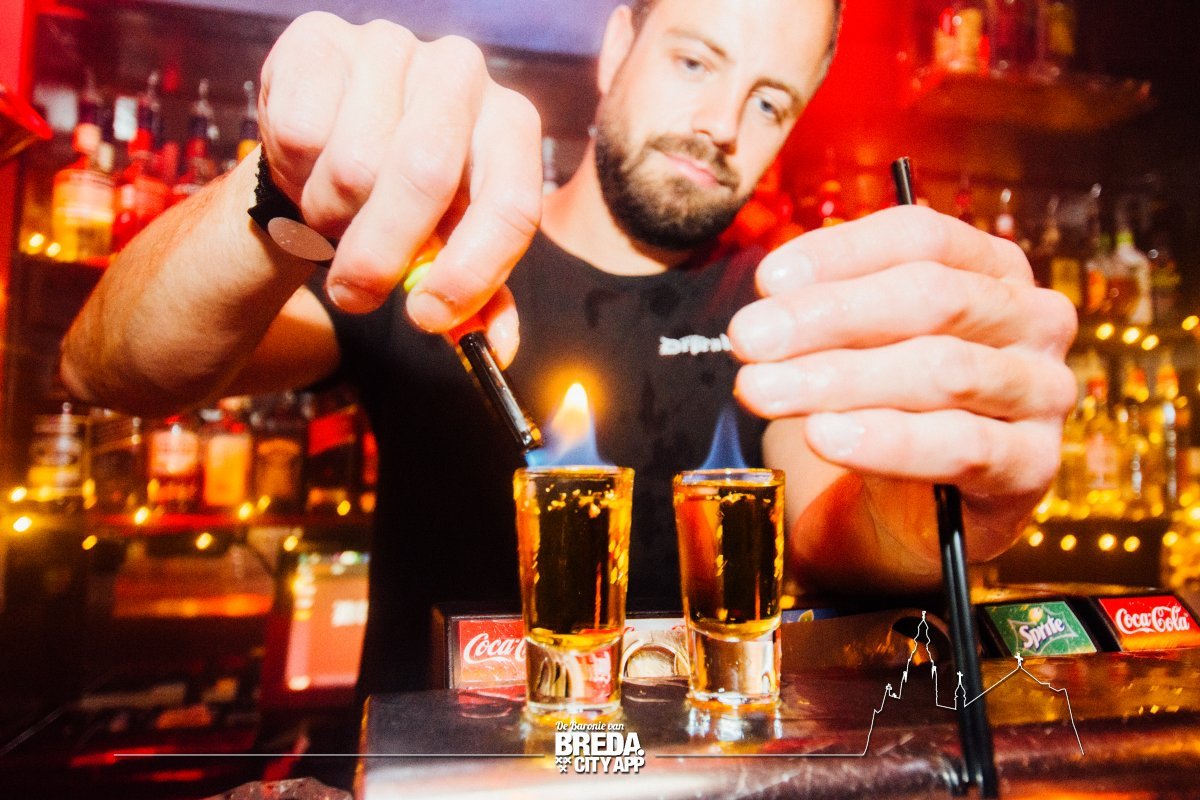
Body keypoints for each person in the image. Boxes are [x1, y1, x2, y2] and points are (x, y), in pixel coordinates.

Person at [60, 0, 1077, 696]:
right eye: (695, 60)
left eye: (770, 101)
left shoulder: (783, 299)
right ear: (616, 45)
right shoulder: (429, 247)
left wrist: (936, 501)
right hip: (433, 777)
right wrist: (282, 186)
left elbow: (837, 524)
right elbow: (113, 366)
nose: (723, 124)